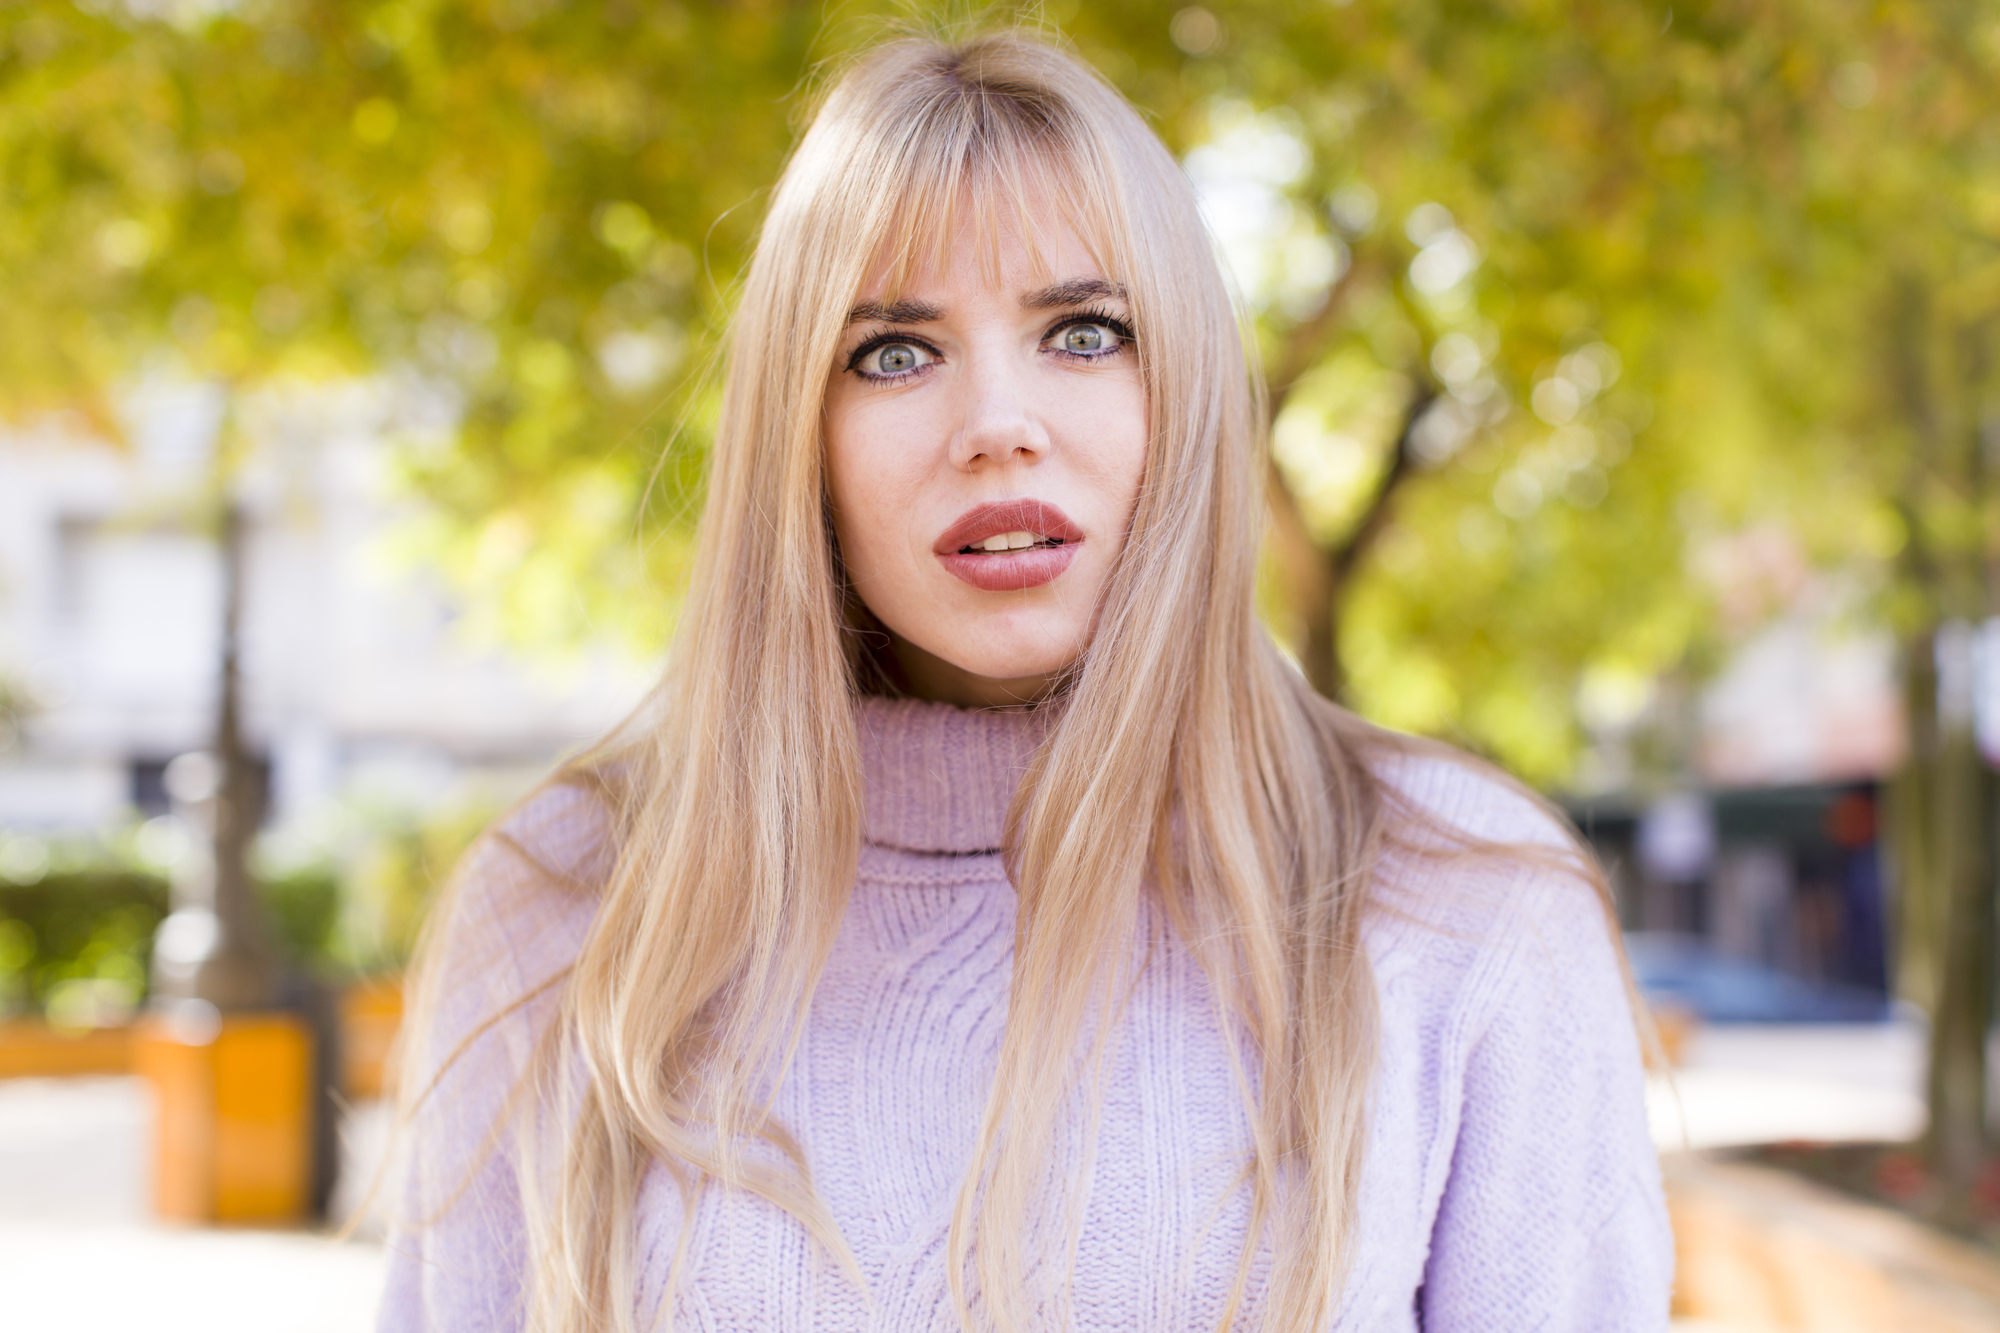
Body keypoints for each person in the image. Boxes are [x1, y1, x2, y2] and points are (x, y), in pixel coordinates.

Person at [379, 29, 1671, 1333]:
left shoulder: (1463, 904)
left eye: (1085, 329)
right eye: (894, 351)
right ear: (798, 437)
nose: (998, 422)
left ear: (1193, 389)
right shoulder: (568, 915)